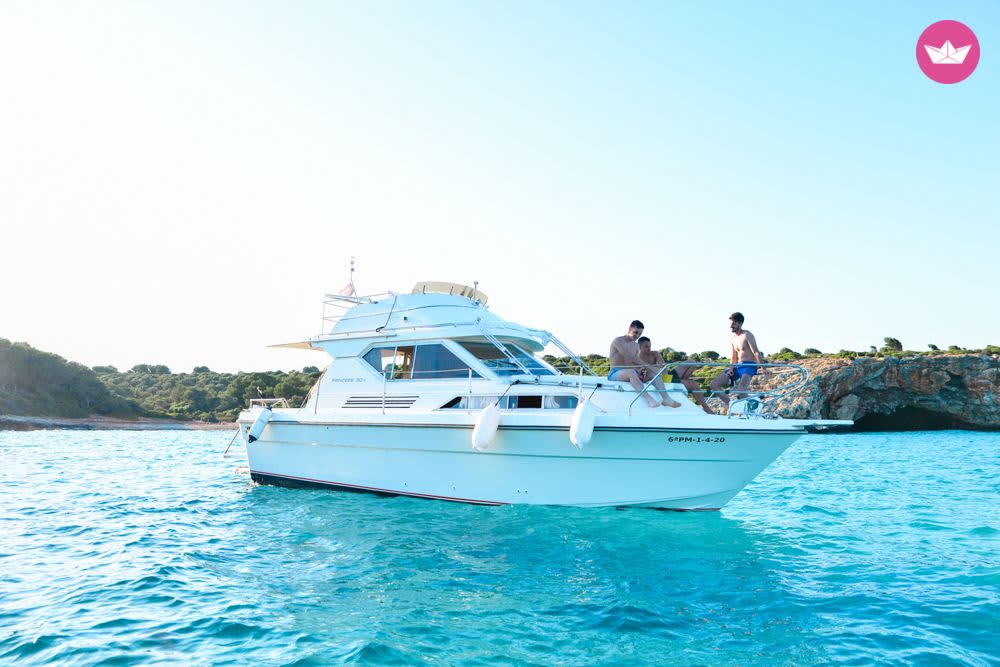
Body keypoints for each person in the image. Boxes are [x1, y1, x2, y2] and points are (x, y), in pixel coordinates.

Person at [608, 321, 678, 408]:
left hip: (631, 371)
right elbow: (629, 357)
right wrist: (650, 367)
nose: (637, 336)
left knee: (652, 374)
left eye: (640, 334)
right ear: (630, 328)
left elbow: (634, 363)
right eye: (636, 332)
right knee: (632, 372)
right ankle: (650, 400)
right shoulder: (618, 341)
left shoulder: (636, 346)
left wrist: (641, 370)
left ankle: (666, 399)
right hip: (615, 372)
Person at [638, 337, 713, 414]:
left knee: (692, 362)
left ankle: (684, 384)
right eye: (646, 346)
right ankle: (707, 409)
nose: (649, 348)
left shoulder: (655, 353)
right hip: (662, 378)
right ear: (639, 346)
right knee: (694, 384)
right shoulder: (637, 358)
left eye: (650, 346)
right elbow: (643, 376)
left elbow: (664, 367)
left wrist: (660, 363)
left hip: (667, 374)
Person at [710, 312, 768, 408]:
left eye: (734, 323)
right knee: (714, 384)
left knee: (741, 388)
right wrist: (731, 369)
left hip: (748, 366)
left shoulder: (747, 335)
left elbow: (756, 352)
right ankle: (733, 406)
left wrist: (763, 368)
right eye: (730, 323)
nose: (731, 326)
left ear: (740, 324)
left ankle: (751, 408)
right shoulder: (733, 339)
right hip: (737, 367)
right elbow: (734, 357)